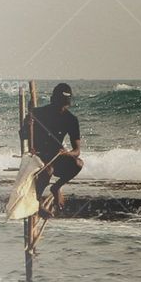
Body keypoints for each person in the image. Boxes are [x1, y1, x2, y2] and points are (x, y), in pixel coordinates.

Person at [21, 83, 83, 217]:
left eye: (63, 105)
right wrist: (27, 125)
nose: (60, 108)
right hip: (37, 155)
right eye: (58, 104)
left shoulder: (71, 119)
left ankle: (56, 187)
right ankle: (37, 202)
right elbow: (23, 135)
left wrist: (67, 153)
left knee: (78, 163)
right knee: (48, 170)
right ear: (53, 100)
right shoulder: (37, 113)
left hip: (56, 157)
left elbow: (77, 151)